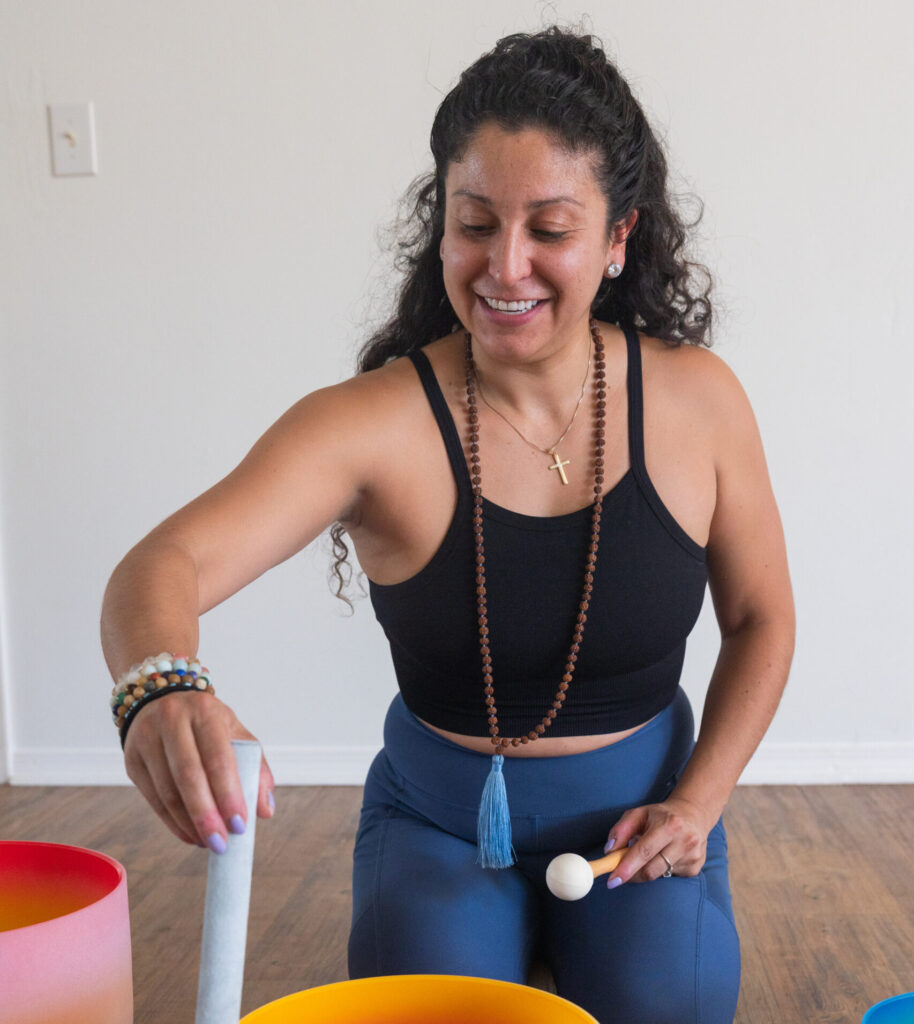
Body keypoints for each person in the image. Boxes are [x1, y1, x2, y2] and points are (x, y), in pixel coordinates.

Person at [101, 26, 795, 1024]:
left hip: (643, 820)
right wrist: (158, 686)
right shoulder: (372, 423)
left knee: (665, 1002)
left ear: (616, 238)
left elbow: (763, 619)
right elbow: (161, 562)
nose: (504, 266)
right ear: (442, 226)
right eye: (475, 222)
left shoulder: (698, 401)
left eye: (548, 229)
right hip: (438, 821)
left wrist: (698, 801)